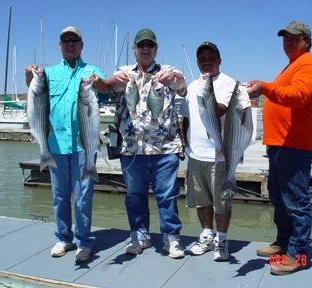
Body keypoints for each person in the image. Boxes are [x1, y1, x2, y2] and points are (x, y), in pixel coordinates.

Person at [25, 26, 110, 263]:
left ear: (82, 45)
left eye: (75, 40)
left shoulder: (92, 70)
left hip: (84, 146)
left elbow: (105, 92)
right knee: (60, 196)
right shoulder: (49, 73)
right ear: (60, 45)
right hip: (55, 146)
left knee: (83, 196)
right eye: (65, 40)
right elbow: (33, 89)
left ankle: (84, 241)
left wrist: (99, 82)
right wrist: (28, 74)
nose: (70, 43)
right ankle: (64, 238)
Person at [247, 20, 312, 275]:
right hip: (279, 144)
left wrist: (266, 88)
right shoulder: (293, 65)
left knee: (296, 202)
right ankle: (283, 243)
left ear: (307, 41)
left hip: (295, 146)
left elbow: (299, 96)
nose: (288, 41)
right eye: (285, 38)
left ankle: (298, 254)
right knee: (279, 198)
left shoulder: (310, 65)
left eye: (294, 37)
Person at [108, 28, 187, 259]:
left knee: (167, 194)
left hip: (166, 147)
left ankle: (171, 238)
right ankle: (139, 235)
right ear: (134, 49)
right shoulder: (123, 72)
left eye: (149, 45)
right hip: (132, 147)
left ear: (156, 49)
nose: (145, 49)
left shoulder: (168, 71)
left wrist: (174, 80)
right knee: (134, 195)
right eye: (141, 45)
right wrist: (115, 82)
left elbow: (182, 85)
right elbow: (110, 87)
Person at [178, 42, 236, 261]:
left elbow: (221, 109)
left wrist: (208, 91)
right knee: (201, 200)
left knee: (222, 201)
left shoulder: (228, 83)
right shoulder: (193, 86)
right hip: (196, 155)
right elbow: (186, 117)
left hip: (219, 155)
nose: (206, 61)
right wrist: (185, 141)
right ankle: (206, 236)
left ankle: (222, 241)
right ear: (197, 62)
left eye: (211, 57)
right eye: (202, 58)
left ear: (219, 60)